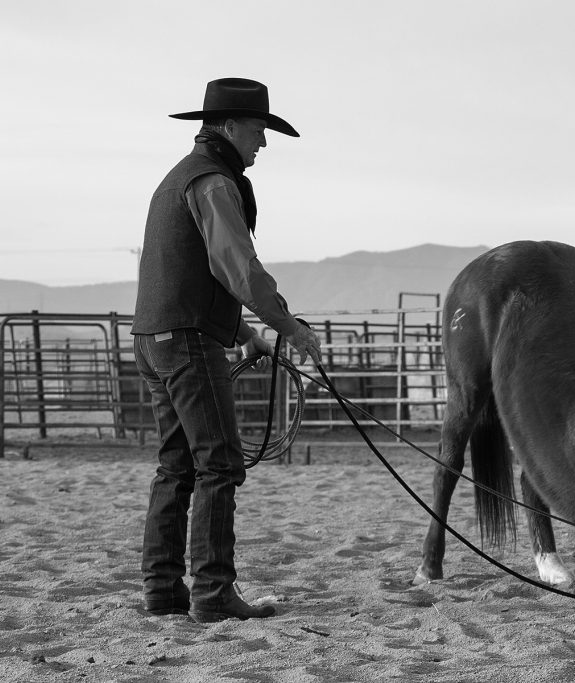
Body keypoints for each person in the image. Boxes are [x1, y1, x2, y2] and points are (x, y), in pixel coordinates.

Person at [131, 77, 323, 623]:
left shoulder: (180, 178)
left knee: (176, 467)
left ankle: (163, 589)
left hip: (155, 338)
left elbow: (190, 271)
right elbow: (236, 266)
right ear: (234, 126)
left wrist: (245, 334)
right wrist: (288, 325)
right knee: (219, 465)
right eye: (260, 130)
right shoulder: (215, 183)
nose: (262, 142)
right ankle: (214, 593)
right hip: (187, 343)